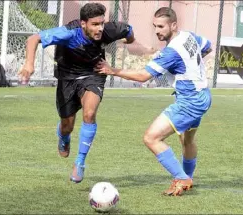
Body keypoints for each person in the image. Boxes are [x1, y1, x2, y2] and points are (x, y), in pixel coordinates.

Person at [95, 7, 212, 196]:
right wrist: (191, 66)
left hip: (190, 101)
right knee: (187, 139)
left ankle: (182, 178)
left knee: (151, 138)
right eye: (155, 26)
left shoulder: (172, 52)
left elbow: (143, 76)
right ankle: (187, 178)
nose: (157, 30)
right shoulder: (189, 36)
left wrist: (112, 70)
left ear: (173, 25)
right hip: (203, 96)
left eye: (161, 26)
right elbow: (207, 46)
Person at [18, 3, 135, 183]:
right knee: (68, 125)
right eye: (95, 24)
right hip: (67, 77)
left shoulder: (110, 30)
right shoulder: (68, 32)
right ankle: (64, 136)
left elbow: (128, 31)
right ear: (83, 24)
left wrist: (130, 40)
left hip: (93, 74)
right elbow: (33, 39)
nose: (100, 28)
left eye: (102, 23)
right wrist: (29, 64)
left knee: (89, 113)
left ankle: (80, 162)